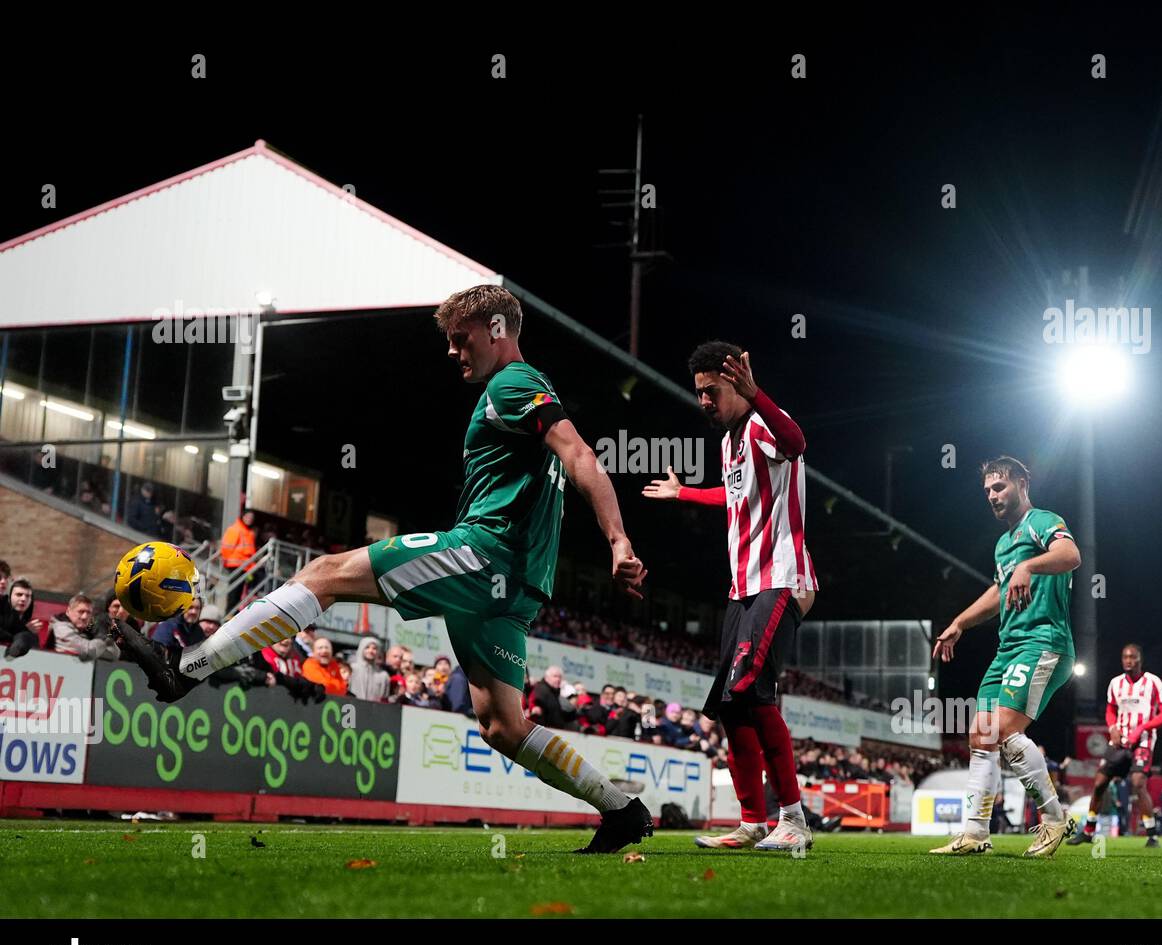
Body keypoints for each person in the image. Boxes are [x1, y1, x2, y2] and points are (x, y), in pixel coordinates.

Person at [110, 284, 652, 854]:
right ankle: (622, 811)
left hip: (482, 554)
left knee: (324, 573)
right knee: (503, 726)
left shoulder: (514, 383)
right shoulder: (522, 390)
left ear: (496, 329)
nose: (451, 351)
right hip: (515, 583)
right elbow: (570, 461)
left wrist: (618, 540)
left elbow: (582, 456)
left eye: (459, 338)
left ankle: (185, 667)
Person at [644, 342, 817, 852]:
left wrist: (756, 393)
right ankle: (752, 822)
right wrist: (685, 494)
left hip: (779, 578)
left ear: (736, 383)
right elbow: (734, 494)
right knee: (729, 704)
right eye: (698, 392)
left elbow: (797, 441)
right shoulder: (729, 443)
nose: (704, 401)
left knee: (750, 693)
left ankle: (794, 820)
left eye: (712, 391)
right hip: (743, 588)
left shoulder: (766, 422)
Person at [929, 455, 1080, 858]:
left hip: (1043, 643)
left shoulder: (1043, 521)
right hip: (1008, 649)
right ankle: (975, 833)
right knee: (981, 735)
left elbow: (1071, 556)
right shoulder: (1003, 543)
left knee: (1004, 729)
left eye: (1000, 487)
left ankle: (1054, 819)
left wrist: (1029, 566)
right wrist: (960, 622)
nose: (993, 496)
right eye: (988, 491)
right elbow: (999, 593)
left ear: (1021, 483)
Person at [1068, 644, 1162, 848]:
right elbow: (1110, 710)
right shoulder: (1115, 683)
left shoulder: (1153, 682)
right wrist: (1113, 728)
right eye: (1125, 657)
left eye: (1132, 657)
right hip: (1119, 741)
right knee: (1099, 783)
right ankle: (1089, 831)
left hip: (1143, 740)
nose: (1128, 660)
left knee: (1138, 782)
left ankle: (1152, 835)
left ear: (1139, 659)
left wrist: (1142, 726)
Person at [50, 592, 121, 663]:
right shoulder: (60, 628)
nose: (85, 617)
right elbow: (88, 652)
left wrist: (108, 637)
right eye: (81, 612)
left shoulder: (86, 631)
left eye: (88, 612)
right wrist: (102, 638)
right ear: (68, 611)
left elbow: (113, 655)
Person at [219, 509, 258, 611]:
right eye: (248, 517)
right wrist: (227, 561)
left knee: (239, 594)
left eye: (251, 518)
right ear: (243, 516)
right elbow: (226, 547)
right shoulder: (235, 529)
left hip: (245, 567)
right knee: (233, 593)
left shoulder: (249, 532)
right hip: (235, 566)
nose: (249, 520)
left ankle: (233, 612)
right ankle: (229, 613)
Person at [1, 577, 44, 658]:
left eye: (28, 596)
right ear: (9, 597)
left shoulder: (29, 628)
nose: (23, 599)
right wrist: (24, 629)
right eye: (19, 595)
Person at [528, 665, 574, 730]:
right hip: (545, 730)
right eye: (555, 676)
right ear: (546, 677)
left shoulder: (555, 693)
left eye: (560, 677)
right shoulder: (541, 690)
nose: (558, 679)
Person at [348, 636, 391, 702]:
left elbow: (384, 698)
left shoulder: (383, 676)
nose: (371, 651)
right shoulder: (352, 669)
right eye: (367, 647)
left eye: (374, 648)